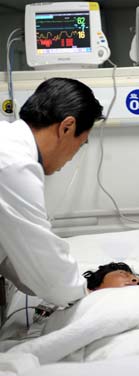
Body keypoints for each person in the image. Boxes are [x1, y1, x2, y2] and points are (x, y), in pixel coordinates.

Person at [0, 77, 103, 307]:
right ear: (67, 127)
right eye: (82, 143)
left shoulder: (9, 147)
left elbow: (10, 251)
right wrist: (84, 296)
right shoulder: (13, 164)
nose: (73, 155)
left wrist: (57, 287)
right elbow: (47, 270)